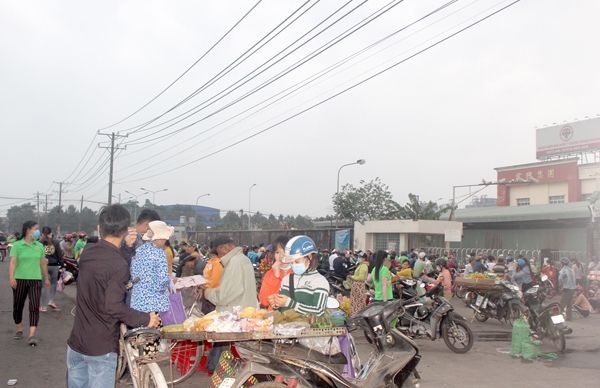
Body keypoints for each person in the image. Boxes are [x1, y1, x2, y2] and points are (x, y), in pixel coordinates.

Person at [67, 204, 160, 387]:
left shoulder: (88, 252)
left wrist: (126, 248)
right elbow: (113, 306)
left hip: (76, 342)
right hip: (100, 348)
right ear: (127, 230)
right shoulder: (119, 265)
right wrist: (145, 318)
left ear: (99, 229)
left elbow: (107, 267)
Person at [130, 221, 174, 355]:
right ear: (160, 237)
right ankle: (148, 371)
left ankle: (137, 368)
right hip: (154, 304)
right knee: (151, 341)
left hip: (138, 302)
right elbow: (161, 282)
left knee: (139, 340)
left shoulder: (139, 250)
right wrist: (170, 280)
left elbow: (134, 274)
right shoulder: (159, 253)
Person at [9, 221, 50, 346]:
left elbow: (42, 263)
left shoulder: (39, 246)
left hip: (35, 279)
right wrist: (11, 277)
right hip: (20, 279)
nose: (38, 231)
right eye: (36, 229)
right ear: (28, 230)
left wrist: (46, 278)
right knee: (18, 305)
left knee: (34, 307)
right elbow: (13, 262)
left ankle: (32, 335)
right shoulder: (17, 245)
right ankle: (19, 330)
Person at [267, 235, 329, 316]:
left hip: (307, 327)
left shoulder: (320, 281)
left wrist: (291, 303)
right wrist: (276, 303)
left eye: (296, 261)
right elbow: (282, 309)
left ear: (309, 256)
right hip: (287, 327)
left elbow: (319, 311)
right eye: (291, 262)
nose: (293, 265)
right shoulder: (287, 279)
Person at [259, 236, 291, 310]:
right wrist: (275, 277)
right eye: (277, 252)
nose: (281, 256)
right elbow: (264, 301)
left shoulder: (298, 273)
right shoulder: (270, 274)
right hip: (275, 318)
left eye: (285, 252)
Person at [40, 226, 64, 311]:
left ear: (42, 233)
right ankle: (51, 301)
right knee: (53, 284)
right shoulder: (56, 242)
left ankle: (43, 306)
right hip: (54, 265)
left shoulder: (40, 242)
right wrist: (62, 265)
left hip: (43, 266)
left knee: (43, 286)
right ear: (51, 233)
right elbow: (59, 254)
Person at [558, 257, 577, 321]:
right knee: (569, 303)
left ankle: (558, 317)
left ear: (562, 263)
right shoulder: (571, 270)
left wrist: (561, 285)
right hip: (572, 288)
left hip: (567, 288)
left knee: (562, 303)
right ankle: (569, 317)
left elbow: (560, 279)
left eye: (560, 262)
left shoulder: (563, 270)